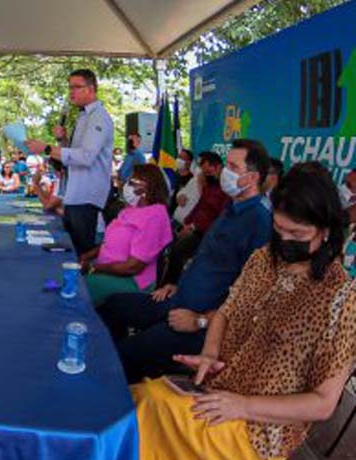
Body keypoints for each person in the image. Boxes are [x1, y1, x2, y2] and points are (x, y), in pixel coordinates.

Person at [101, 163, 356, 460]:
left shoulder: (341, 299)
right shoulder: (264, 260)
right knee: (135, 402)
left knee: (148, 410)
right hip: (220, 393)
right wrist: (210, 352)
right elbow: (224, 312)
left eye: (297, 234)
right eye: (280, 230)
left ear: (327, 230)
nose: (285, 241)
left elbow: (322, 403)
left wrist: (242, 405)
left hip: (257, 430)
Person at [98, 139, 272, 383]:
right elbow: (207, 261)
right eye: (226, 165)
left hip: (197, 324)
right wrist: (176, 284)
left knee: (124, 355)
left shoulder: (259, 222)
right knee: (111, 306)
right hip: (175, 300)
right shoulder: (231, 208)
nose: (225, 173)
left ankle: (124, 398)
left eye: (233, 167)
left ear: (252, 178)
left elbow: (249, 297)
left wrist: (200, 322)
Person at [27, 69, 114, 256]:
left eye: (76, 87)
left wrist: (47, 148)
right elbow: (73, 156)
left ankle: (79, 285)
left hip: (87, 196)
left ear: (91, 89)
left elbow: (86, 157)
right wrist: (62, 141)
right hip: (73, 194)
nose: (71, 92)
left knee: (79, 254)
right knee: (69, 251)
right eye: (70, 87)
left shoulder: (99, 117)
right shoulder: (83, 117)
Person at [82, 165, 173, 306]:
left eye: (132, 182)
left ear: (148, 187)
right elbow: (108, 243)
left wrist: (93, 268)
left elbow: (133, 267)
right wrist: (84, 258)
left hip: (131, 280)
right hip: (107, 270)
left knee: (78, 288)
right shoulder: (130, 210)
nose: (126, 185)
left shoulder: (155, 215)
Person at [163, 151, 227, 285]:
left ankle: (169, 286)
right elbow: (200, 205)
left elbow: (220, 217)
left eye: (209, 172)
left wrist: (193, 227)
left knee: (178, 251)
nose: (207, 175)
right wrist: (188, 222)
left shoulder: (226, 190)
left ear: (219, 167)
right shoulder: (209, 185)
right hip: (192, 227)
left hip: (208, 234)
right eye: (204, 172)